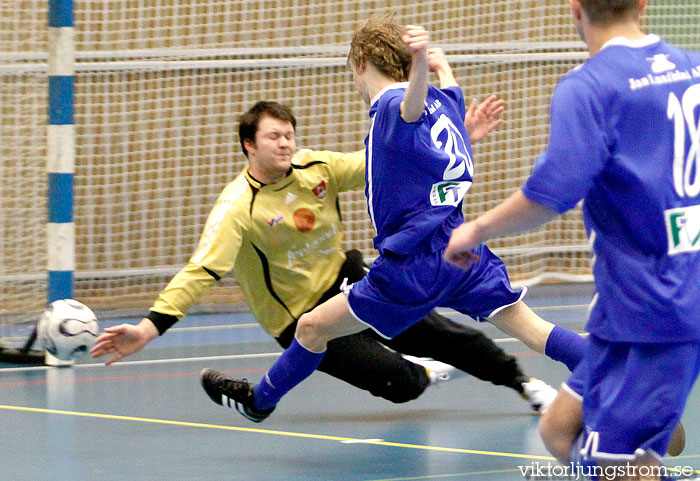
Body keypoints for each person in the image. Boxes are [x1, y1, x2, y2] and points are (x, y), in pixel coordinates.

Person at [192, 13, 586, 424]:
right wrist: (441, 65)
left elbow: (409, 106)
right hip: (464, 253)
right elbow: (441, 100)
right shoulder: (447, 101)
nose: (356, 84)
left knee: (310, 328)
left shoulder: (394, 105)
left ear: (362, 63)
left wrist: (419, 62)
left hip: (411, 266)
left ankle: (260, 401)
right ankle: (617, 378)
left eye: (352, 74)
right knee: (536, 331)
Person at [89, 96, 558, 411]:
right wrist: (148, 328)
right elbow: (201, 271)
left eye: (289, 134)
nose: (286, 142)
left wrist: (460, 140)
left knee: (451, 337)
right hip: (297, 316)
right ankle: (421, 372)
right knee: (403, 385)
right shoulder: (238, 207)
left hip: (348, 278)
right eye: (274, 136)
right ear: (249, 145)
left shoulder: (317, 167)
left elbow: (384, 164)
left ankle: (527, 386)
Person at [445, 0, 700, 478]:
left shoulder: (589, 87)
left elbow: (550, 194)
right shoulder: (692, 68)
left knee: (615, 465)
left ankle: (645, 446)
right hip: (627, 309)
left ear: (575, 10)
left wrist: (475, 230)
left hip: (657, 309)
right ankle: (647, 442)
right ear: (643, 4)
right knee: (559, 430)